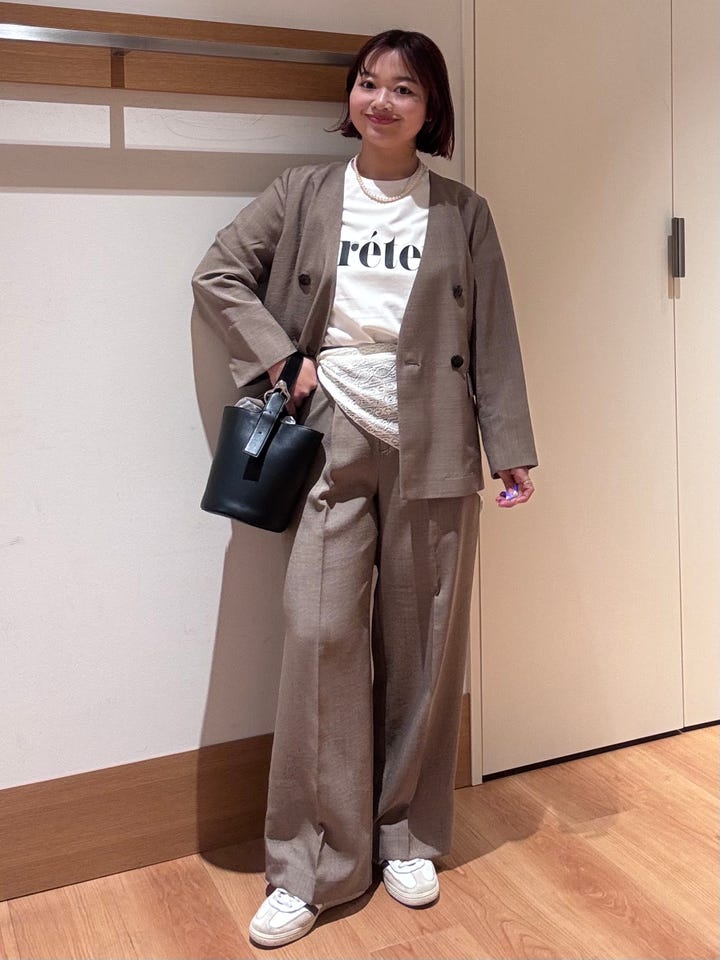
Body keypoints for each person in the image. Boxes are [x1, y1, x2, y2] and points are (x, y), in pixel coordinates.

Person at [192, 28, 537, 948]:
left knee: (424, 644)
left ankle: (407, 835)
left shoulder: (463, 212)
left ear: (432, 110)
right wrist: (282, 359)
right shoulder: (304, 192)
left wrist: (509, 446)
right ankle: (309, 864)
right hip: (328, 434)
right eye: (369, 83)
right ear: (350, 96)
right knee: (319, 638)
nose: (382, 101)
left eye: (405, 89)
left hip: (437, 438)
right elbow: (219, 273)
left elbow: (495, 335)